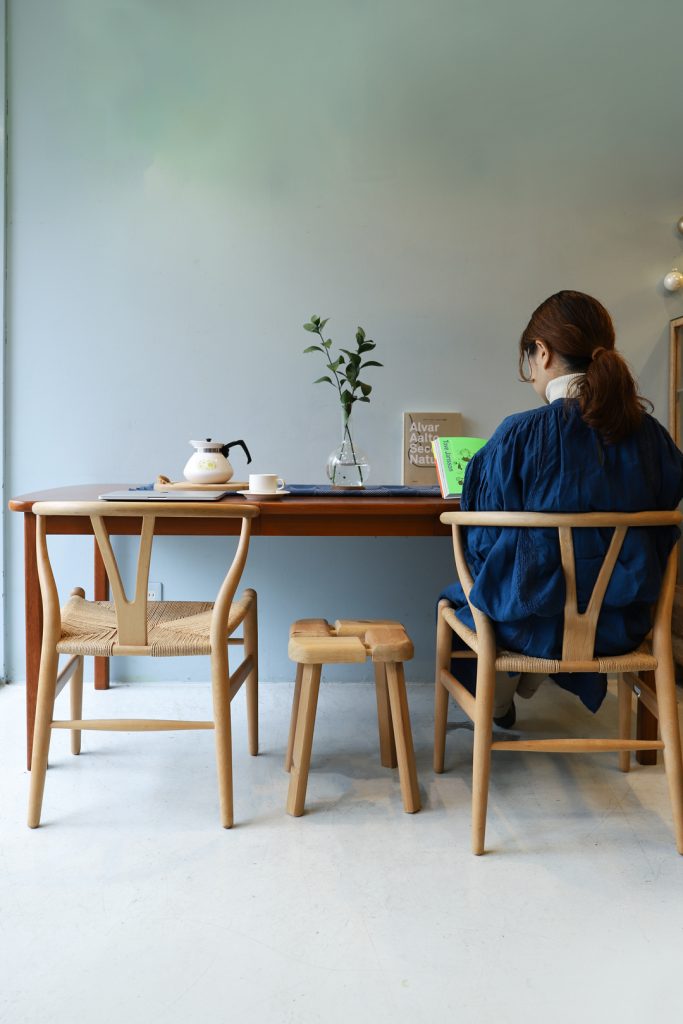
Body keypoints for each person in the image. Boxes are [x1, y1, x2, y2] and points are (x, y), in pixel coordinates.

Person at [440, 290, 683, 727]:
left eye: (528, 358)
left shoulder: (517, 435)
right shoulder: (651, 436)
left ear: (544, 352)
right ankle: (515, 688)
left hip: (529, 626)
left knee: (467, 593)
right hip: (623, 627)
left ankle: (496, 699)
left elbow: (483, 545)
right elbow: (663, 525)